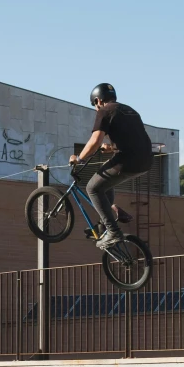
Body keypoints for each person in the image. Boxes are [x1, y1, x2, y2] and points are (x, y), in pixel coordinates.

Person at [69, 83, 153, 249]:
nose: (95, 108)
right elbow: (134, 139)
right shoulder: (130, 110)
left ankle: (113, 231)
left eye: (94, 105)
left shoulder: (104, 110)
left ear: (98, 100)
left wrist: (79, 158)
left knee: (92, 188)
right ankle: (105, 223)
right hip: (146, 160)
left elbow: (95, 140)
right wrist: (112, 147)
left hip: (127, 160)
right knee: (104, 182)